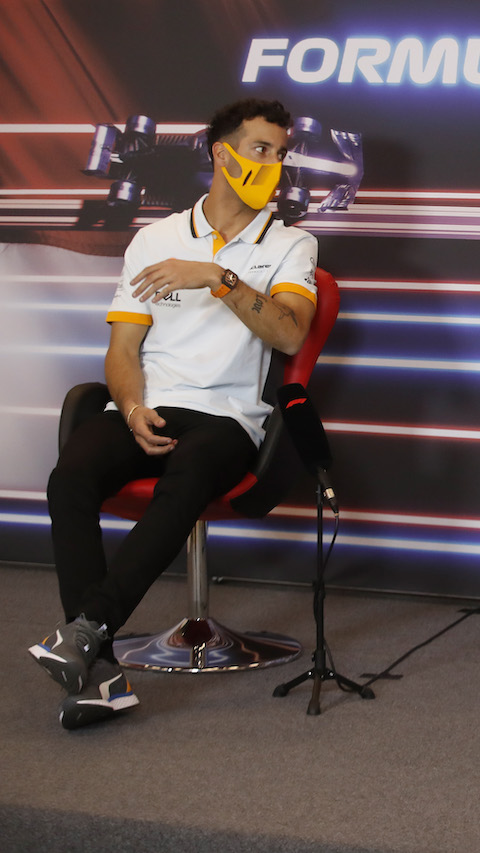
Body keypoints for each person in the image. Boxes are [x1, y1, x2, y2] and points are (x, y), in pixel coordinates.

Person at [31, 98, 319, 729]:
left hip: (226, 418)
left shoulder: (293, 244)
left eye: (280, 154)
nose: (274, 165)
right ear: (224, 154)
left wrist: (218, 277)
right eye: (262, 150)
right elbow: (123, 348)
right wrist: (130, 405)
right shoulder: (153, 238)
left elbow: (291, 335)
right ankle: (99, 666)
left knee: (190, 474)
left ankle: (88, 629)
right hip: (150, 403)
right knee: (70, 476)